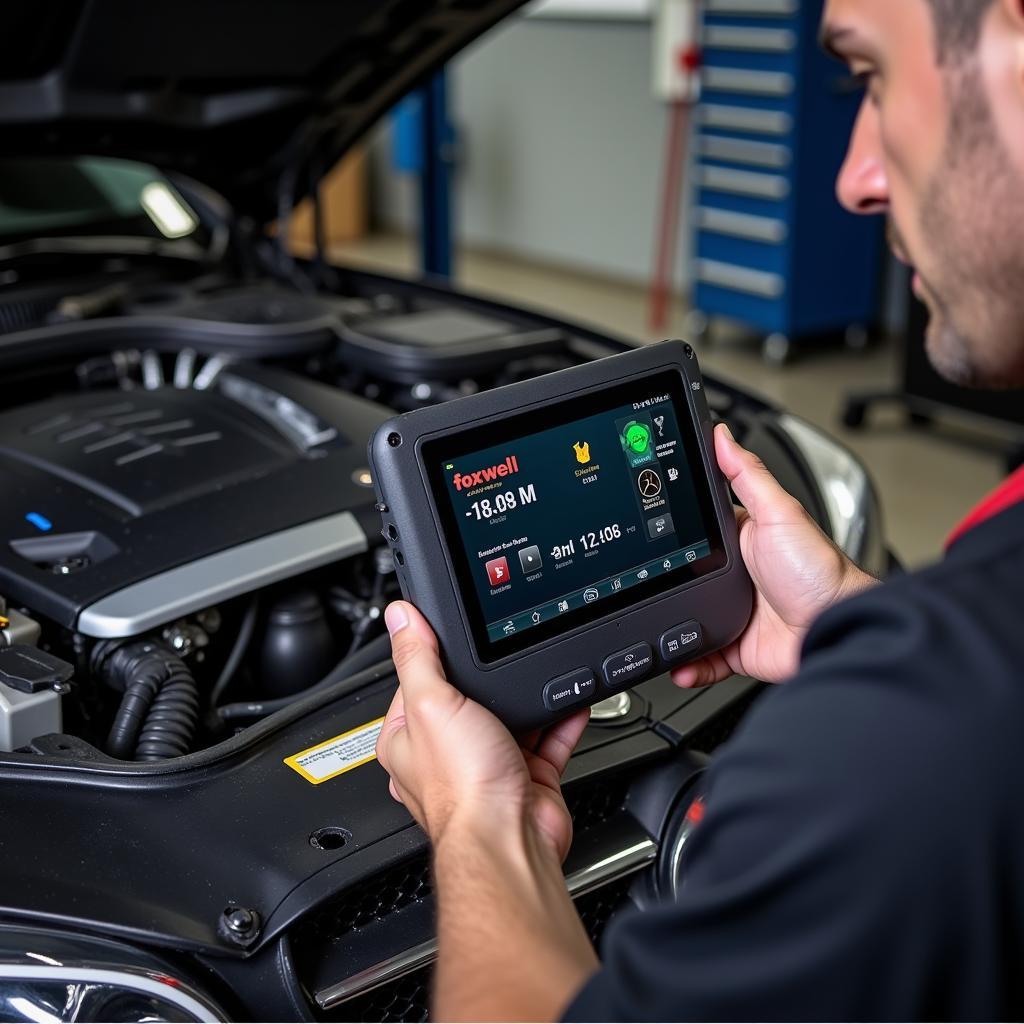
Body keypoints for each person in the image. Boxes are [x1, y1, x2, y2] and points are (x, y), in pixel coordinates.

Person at [376, 0, 1024, 1017]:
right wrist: (851, 626)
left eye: (869, 77)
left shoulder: (928, 740)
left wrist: (478, 824)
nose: (853, 177)